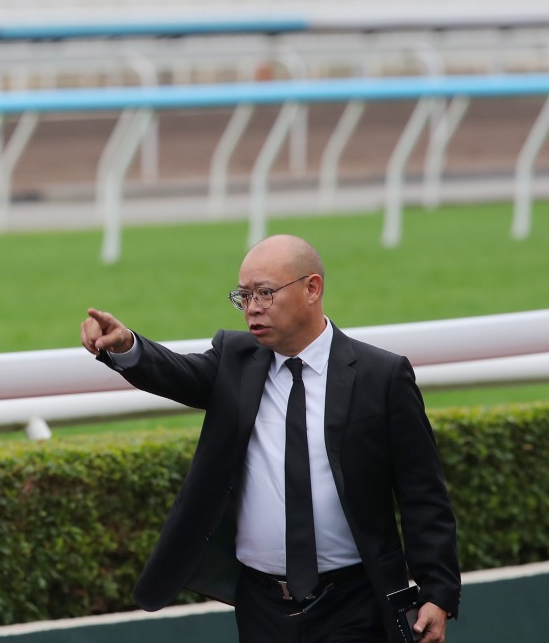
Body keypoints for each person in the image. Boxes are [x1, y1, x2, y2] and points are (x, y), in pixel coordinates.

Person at [79, 234, 460, 643]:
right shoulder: (234, 360)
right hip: (261, 605)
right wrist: (126, 345)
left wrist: (437, 592)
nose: (253, 308)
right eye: (243, 296)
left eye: (265, 293)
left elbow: (423, 493)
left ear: (312, 288)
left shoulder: (381, 376)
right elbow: (176, 372)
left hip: (356, 601)